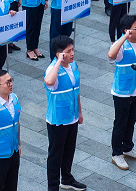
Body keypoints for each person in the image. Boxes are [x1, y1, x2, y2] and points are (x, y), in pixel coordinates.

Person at [44, 36, 86, 191]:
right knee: (55, 155)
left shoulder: (73, 66)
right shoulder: (52, 69)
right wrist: (58, 62)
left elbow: (76, 91)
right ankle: (53, 186)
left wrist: (79, 112)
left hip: (72, 117)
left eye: (72, 50)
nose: (72, 53)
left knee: (69, 150)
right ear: (59, 54)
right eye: (68, 51)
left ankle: (67, 178)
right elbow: (49, 82)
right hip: (58, 120)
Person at [107, 15, 136, 171]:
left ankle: (128, 147)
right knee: (120, 123)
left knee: (131, 121)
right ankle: (117, 153)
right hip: (122, 91)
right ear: (127, 30)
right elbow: (111, 55)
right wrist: (124, 37)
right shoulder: (121, 46)